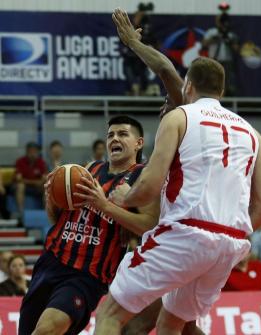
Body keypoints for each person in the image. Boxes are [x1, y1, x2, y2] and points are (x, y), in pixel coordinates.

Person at [95, 10, 261, 335]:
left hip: (186, 234)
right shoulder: (252, 133)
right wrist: (227, 233)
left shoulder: (180, 116)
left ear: (187, 86)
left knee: (110, 314)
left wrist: (124, 197)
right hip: (228, 244)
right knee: (174, 324)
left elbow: (147, 186)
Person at [18, 116, 160, 335]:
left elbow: (150, 227)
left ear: (138, 143)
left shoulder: (142, 178)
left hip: (87, 275)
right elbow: (58, 220)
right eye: (111, 135)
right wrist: (51, 199)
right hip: (51, 261)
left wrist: (104, 206)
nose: (115, 139)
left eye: (123, 134)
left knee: (47, 329)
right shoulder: (88, 169)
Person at [201, 5, 239, 96]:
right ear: (216, 21)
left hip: (227, 62)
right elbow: (204, 44)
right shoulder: (212, 32)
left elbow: (237, 49)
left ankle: (223, 100)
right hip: (214, 60)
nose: (222, 23)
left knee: (224, 82)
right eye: (220, 20)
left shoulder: (231, 34)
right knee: (212, 82)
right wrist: (216, 38)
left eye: (224, 21)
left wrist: (228, 39)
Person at [14, 142, 47, 216]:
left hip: (36, 186)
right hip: (23, 185)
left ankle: (47, 211)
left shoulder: (41, 162)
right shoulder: (20, 162)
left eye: (35, 151)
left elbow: (44, 178)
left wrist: (40, 182)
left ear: (38, 152)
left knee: (46, 186)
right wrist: (35, 182)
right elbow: (19, 179)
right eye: (31, 151)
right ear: (27, 152)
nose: (32, 154)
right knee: (20, 186)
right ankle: (21, 212)